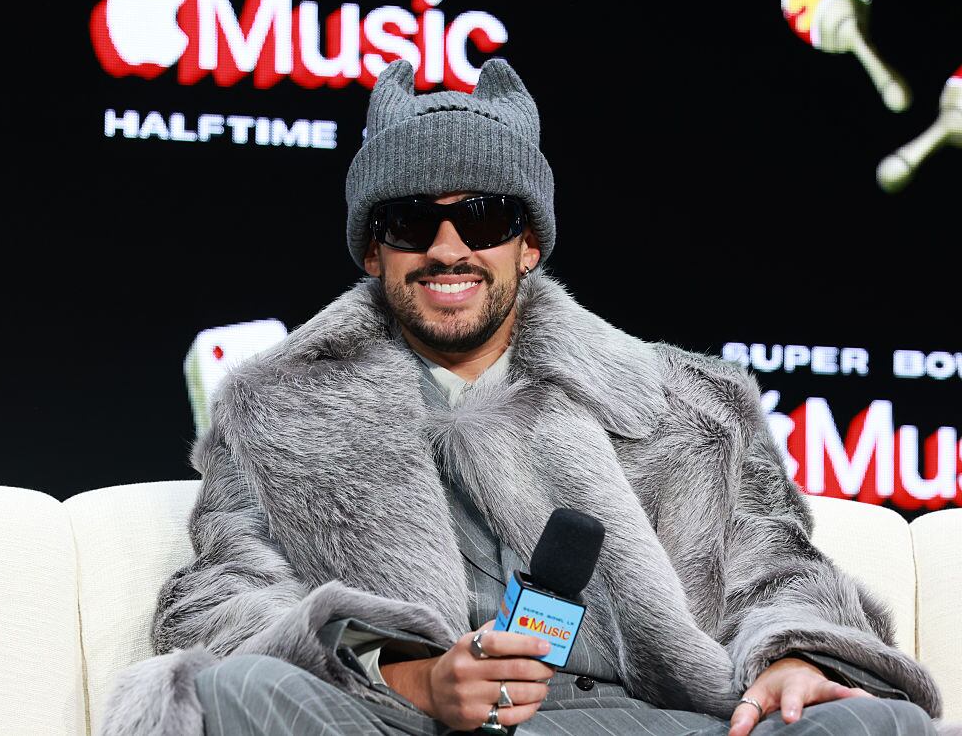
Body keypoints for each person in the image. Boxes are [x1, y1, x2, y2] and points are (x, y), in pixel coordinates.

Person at [98, 58, 950, 736]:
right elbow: (217, 597)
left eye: (484, 218)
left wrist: (790, 659)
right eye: (409, 223)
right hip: (404, 721)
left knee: (882, 722)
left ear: (528, 243)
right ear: (371, 251)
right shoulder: (273, 409)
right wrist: (411, 675)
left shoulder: (688, 406)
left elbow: (780, 572)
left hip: (643, 718)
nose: (447, 248)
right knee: (242, 687)